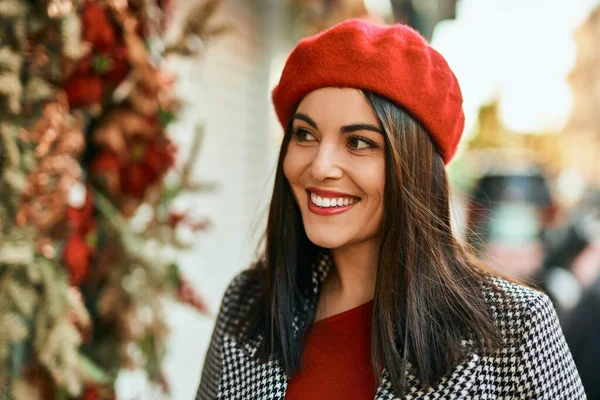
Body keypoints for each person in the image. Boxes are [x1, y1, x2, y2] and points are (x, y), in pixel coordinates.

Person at [195, 19, 586, 399]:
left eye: (359, 142)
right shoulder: (247, 305)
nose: (319, 166)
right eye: (305, 135)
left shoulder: (515, 328)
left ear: (412, 167)